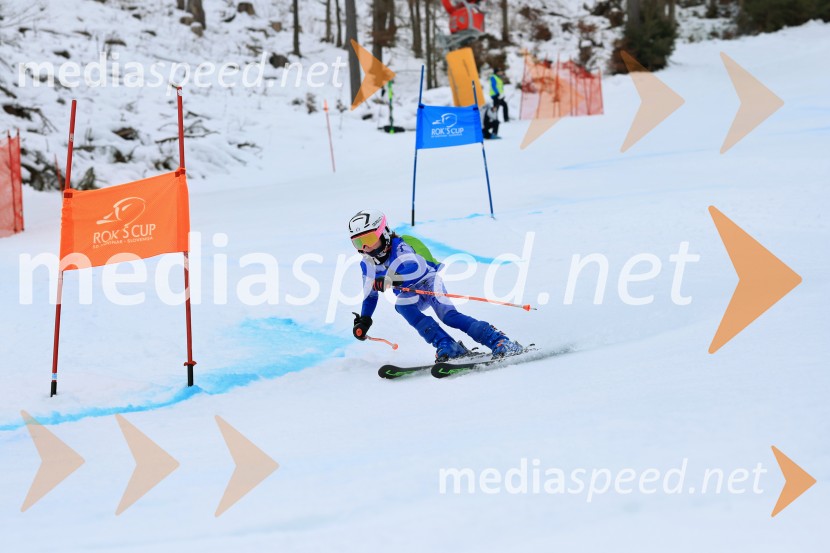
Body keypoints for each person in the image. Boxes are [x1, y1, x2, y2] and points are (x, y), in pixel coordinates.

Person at [348, 210, 523, 361]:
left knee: (449, 317)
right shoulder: (367, 265)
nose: (365, 247)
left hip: (429, 282)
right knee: (401, 305)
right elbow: (370, 295)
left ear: (383, 232)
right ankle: (448, 345)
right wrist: (365, 320)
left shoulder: (399, 246)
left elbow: (417, 267)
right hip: (410, 292)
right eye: (358, 242)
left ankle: (499, 340)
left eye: (369, 239)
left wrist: (391, 279)